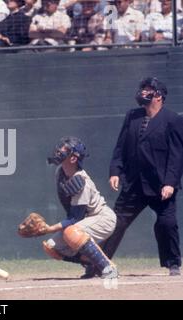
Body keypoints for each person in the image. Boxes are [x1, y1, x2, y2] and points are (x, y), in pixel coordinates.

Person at [101, 77, 183, 276]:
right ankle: (98, 262)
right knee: (116, 223)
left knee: (166, 223)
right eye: (143, 89)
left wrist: (170, 183)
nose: (143, 92)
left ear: (159, 96)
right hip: (133, 184)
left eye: (149, 90)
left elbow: (176, 154)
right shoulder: (133, 116)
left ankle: (173, 263)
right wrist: (115, 171)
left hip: (160, 185)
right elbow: (121, 147)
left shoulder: (172, 120)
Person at [37, 136, 118, 279]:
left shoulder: (81, 182)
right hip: (85, 221)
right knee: (50, 247)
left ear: (73, 158)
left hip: (102, 218)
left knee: (71, 232)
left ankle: (108, 268)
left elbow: (76, 218)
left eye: (65, 149)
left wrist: (49, 229)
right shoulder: (60, 172)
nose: (59, 150)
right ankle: (90, 262)